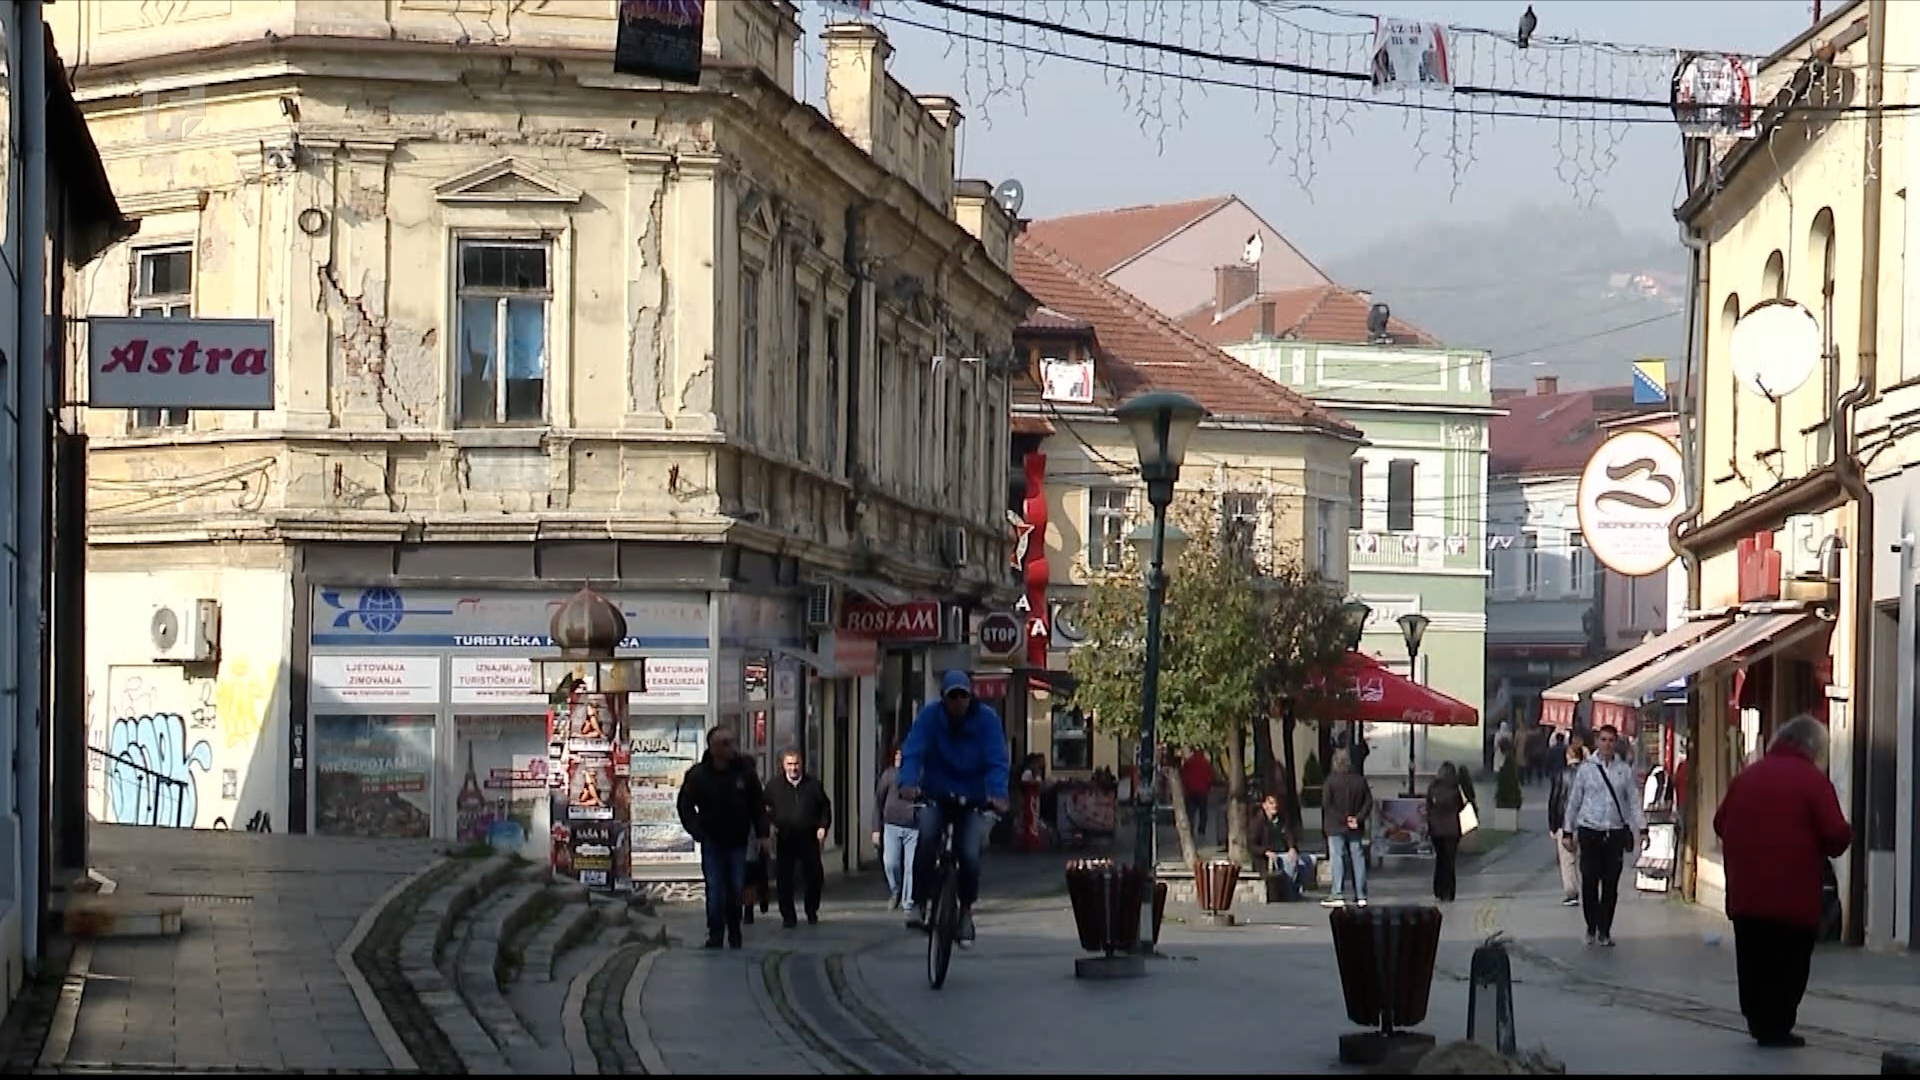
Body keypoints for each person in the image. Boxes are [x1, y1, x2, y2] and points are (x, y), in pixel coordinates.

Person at [1713, 715, 1852, 1049]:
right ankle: (1777, 1025)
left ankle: (1758, 1021)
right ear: (1813, 748)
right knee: (1789, 962)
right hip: (1793, 896)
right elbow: (1835, 835)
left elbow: (1720, 822)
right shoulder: (1813, 781)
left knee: (1752, 959)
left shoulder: (1746, 777)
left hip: (1746, 894)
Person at [897, 671, 1011, 945]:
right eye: (953, 696)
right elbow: (913, 751)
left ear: (971, 697)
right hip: (936, 792)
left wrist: (997, 794)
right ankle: (918, 902)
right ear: (943, 698)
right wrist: (908, 782)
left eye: (963, 696)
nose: (958, 701)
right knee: (926, 836)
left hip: (971, 797)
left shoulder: (987, 721)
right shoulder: (930, 717)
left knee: (969, 854)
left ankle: (966, 913)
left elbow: (996, 759)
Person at [676, 726, 771, 950]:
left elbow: (757, 805)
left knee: (736, 888)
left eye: (732, 741)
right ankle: (716, 934)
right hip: (713, 841)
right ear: (714, 748)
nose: (732, 747)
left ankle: (735, 931)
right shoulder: (698, 775)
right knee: (715, 889)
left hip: (738, 840)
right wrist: (697, 831)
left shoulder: (744, 772)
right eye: (726, 743)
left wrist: (763, 834)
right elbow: (685, 806)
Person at [1561, 724, 1647, 947]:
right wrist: (1568, 831)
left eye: (1611, 740)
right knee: (1589, 882)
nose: (1607, 744)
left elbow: (1633, 800)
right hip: (1590, 830)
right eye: (1604, 740)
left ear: (1616, 743)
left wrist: (1642, 828)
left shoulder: (1623, 770)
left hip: (1614, 831)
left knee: (1610, 885)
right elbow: (1574, 801)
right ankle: (1591, 926)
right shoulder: (1586, 769)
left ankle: (1605, 930)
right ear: (1597, 742)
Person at [766, 748, 832, 928]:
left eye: (796, 764)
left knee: (814, 876)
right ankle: (788, 916)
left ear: (802, 764)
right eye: (789, 764)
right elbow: (764, 808)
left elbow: (825, 807)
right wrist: (770, 827)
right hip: (785, 836)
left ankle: (811, 909)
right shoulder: (774, 786)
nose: (793, 768)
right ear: (783, 765)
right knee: (784, 878)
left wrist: (822, 826)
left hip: (808, 836)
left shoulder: (813, 785)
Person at [1320, 749, 1373, 909]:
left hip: (1336, 826)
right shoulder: (1360, 781)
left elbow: (1327, 804)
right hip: (1355, 827)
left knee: (1338, 858)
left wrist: (1344, 819)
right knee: (1358, 858)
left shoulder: (1331, 781)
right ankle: (1361, 895)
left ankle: (1337, 893)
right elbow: (1368, 802)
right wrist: (1357, 818)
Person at [872, 744, 919, 913]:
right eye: (897, 755)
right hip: (891, 825)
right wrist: (876, 829)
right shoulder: (889, 775)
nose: (899, 758)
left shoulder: (919, 774)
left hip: (914, 827)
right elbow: (878, 801)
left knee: (911, 866)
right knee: (891, 863)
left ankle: (908, 901)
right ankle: (895, 890)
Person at [1249, 793, 1315, 899]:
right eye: (1271, 803)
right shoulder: (1258, 822)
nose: (1274, 806)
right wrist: (1266, 852)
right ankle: (1290, 894)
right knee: (1290, 862)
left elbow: (1289, 834)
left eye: (1275, 803)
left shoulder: (1281, 819)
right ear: (1264, 805)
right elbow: (1252, 845)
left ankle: (1298, 888)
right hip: (1269, 855)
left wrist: (1292, 847)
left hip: (1283, 851)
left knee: (1309, 859)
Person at [1546, 740, 1586, 907]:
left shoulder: (1561, 775)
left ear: (1568, 756)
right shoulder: (1588, 775)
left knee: (1567, 860)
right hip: (1586, 824)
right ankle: (1588, 890)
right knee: (1586, 859)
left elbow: (1554, 800)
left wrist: (1553, 825)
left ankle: (1572, 892)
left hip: (1565, 824)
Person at [1426, 762, 1466, 903]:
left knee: (1440, 859)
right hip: (1452, 830)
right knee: (1450, 861)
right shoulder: (1455, 788)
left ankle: (1439, 889)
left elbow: (1428, 805)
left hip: (1436, 829)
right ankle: (1449, 891)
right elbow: (1461, 806)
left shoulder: (1433, 787)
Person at [1181, 747, 1215, 843]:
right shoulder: (1206, 763)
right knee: (1203, 812)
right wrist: (1207, 788)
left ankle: (1190, 829)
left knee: (1191, 812)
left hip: (1191, 791)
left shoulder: (1189, 762)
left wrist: (1186, 787)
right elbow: (1211, 777)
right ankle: (1201, 830)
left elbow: (1184, 776)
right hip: (1202, 791)